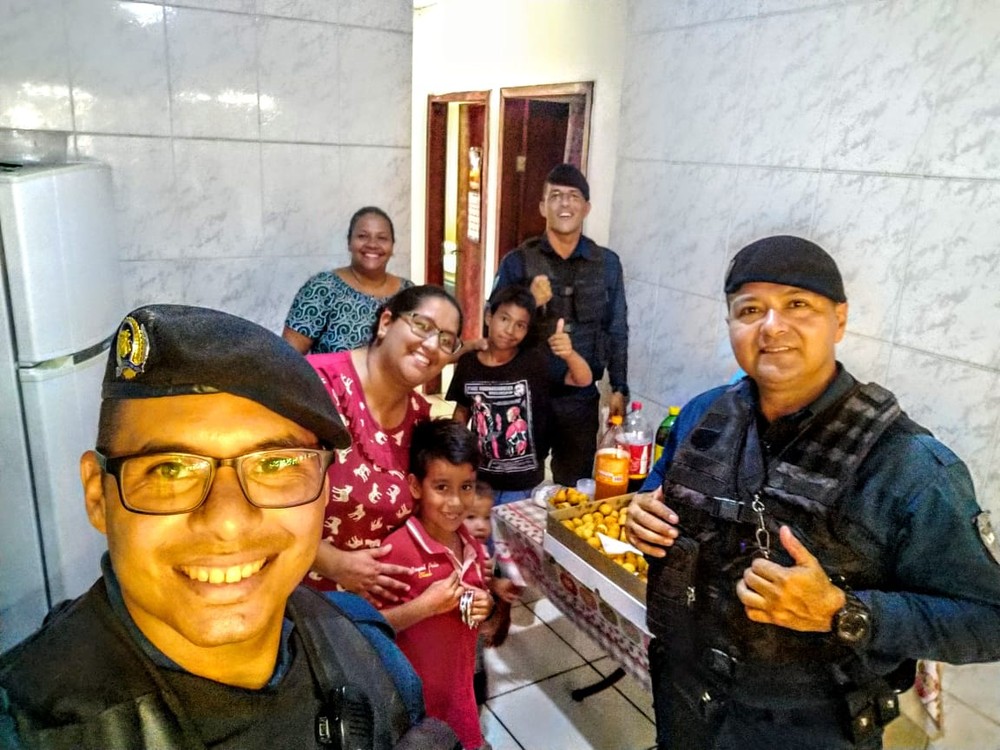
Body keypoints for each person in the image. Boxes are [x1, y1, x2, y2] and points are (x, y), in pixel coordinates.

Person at [0, 304, 459, 749]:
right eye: (171, 470)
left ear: (324, 490)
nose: (227, 522)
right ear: (98, 496)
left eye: (276, 464)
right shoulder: (26, 724)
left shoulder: (368, 649)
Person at [624, 236, 1000, 750]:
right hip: (688, 702)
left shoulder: (909, 466)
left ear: (838, 320)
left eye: (797, 304)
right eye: (750, 309)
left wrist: (842, 612)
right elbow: (659, 486)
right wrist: (642, 507)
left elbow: (989, 620)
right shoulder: (701, 415)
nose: (771, 326)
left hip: (810, 729)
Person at [305, 285, 464, 601]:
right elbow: (259, 495)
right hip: (303, 600)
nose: (432, 345)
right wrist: (333, 563)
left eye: (447, 341)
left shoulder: (420, 416)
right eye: (423, 326)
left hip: (382, 609)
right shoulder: (316, 386)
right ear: (386, 323)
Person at [491, 163, 629, 486]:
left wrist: (620, 387)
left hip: (580, 399)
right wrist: (529, 300)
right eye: (555, 196)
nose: (564, 203)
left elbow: (617, 328)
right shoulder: (517, 261)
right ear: (543, 206)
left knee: (575, 488)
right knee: (517, 485)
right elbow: (493, 327)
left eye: (573, 196)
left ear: (586, 207)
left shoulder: (607, 264)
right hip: (525, 396)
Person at [374, 421, 494, 750]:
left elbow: (478, 607)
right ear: (415, 486)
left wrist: (486, 604)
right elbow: (371, 629)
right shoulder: (396, 551)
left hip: (460, 690)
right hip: (414, 703)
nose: (455, 502)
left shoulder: (471, 544)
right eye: (442, 487)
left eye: (466, 487)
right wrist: (424, 607)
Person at [447, 285, 591, 504]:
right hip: (479, 477)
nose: (510, 330)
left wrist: (569, 354)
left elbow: (583, 379)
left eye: (520, 325)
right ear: (489, 316)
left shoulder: (534, 361)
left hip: (524, 483)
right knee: (477, 526)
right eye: (504, 319)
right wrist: (456, 457)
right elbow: (462, 411)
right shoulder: (469, 363)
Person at [283, 206, 413, 354]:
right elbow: (288, 358)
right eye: (362, 236)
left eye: (382, 238)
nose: (372, 244)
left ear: (392, 246)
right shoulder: (322, 288)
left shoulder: (408, 293)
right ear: (349, 242)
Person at [463, 481, 523, 707]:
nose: (481, 526)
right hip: (456, 620)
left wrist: (496, 585)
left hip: (473, 619)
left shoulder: (481, 549)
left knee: (475, 660)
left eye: (486, 517)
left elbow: (482, 575)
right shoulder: (454, 548)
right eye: (471, 517)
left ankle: (476, 693)